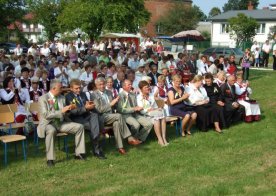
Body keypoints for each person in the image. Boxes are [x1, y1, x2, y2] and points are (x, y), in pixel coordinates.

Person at [37, 79, 86, 167]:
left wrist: (69, 110)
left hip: (60, 122)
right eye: (60, 87)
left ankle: (79, 153)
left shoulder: (62, 97)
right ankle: (50, 159)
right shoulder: (42, 98)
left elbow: (64, 113)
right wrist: (61, 111)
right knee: (51, 131)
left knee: (79, 127)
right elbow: (45, 114)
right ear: (54, 88)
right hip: (48, 123)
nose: (62, 89)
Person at [91, 77, 141, 155]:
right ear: (96, 85)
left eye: (103, 84)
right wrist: (111, 104)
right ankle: (129, 138)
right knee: (118, 116)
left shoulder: (109, 92)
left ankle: (120, 147)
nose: (102, 86)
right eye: (100, 84)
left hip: (111, 115)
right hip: (101, 117)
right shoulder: (94, 95)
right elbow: (99, 110)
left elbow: (114, 105)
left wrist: (118, 104)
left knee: (117, 123)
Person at [65, 79, 106, 159]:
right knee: (94, 127)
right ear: (71, 88)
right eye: (76, 88)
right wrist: (85, 108)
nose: (79, 90)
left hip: (86, 116)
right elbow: (74, 111)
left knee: (94, 115)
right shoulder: (68, 97)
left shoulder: (83, 94)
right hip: (76, 119)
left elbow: (86, 104)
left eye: (79, 88)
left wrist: (90, 105)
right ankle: (97, 150)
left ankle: (96, 140)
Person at [137, 80, 168, 146]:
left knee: (161, 114)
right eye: (146, 87)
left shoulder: (151, 96)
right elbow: (142, 111)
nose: (148, 88)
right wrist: (150, 110)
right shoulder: (139, 97)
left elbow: (156, 106)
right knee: (157, 119)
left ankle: (163, 138)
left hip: (154, 114)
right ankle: (160, 139)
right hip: (146, 116)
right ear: (141, 89)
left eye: (148, 87)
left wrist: (156, 108)